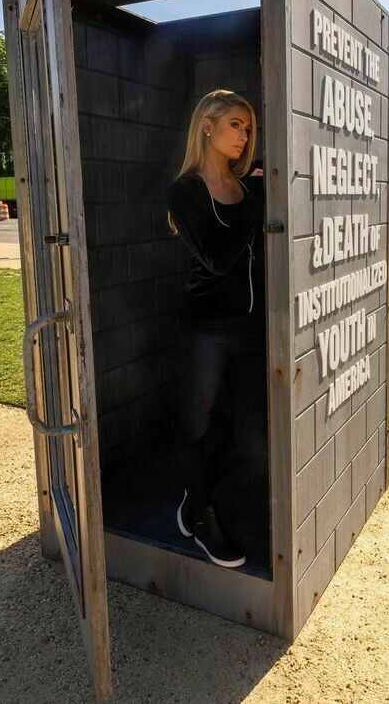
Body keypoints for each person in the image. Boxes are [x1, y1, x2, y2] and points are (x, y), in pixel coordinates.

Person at [166, 89, 268, 569]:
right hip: (205, 330)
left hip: (251, 330)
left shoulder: (247, 186)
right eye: (235, 125)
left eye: (247, 128)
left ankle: (203, 496)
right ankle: (200, 511)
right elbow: (219, 258)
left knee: (251, 436)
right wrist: (257, 199)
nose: (244, 136)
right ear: (207, 125)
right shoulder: (185, 191)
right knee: (195, 425)